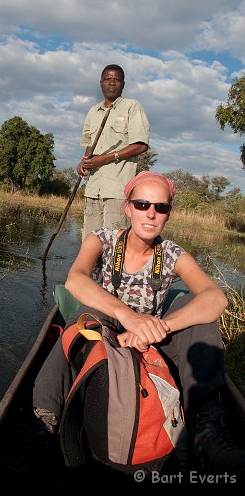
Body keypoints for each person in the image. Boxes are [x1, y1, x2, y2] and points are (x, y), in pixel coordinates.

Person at [33, 171, 245, 481]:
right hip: (105, 335)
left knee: (198, 313)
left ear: (167, 215)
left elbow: (216, 299)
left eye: (160, 207)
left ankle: (206, 430)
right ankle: (49, 416)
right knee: (87, 311)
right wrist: (129, 318)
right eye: (143, 204)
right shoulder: (102, 239)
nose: (151, 213)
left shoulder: (171, 254)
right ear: (128, 207)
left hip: (150, 341)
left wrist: (158, 327)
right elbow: (76, 280)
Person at [76, 64, 149, 240]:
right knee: (90, 242)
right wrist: (83, 163)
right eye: (108, 79)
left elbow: (141, 145)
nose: (112, 82)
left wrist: (106, 158)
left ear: (123, 84)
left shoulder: (132, 106)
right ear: (101, 83)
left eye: (116, 79)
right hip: (93, 189)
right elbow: (89, 145)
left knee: (114, 243)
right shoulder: (93, 112)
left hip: (117, 191)